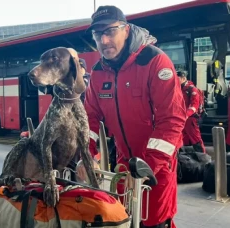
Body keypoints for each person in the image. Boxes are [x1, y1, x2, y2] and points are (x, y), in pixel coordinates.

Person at [84, 5, 186, 227]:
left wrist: (146, 166)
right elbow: (89, 117)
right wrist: (87, 155)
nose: (103, 41)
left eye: (110, 32)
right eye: (98, 34)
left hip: (156, 168)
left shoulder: (154, 62)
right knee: (125, 219)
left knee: (156, 221)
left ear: (126, 30)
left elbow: (172, 120)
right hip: (123, 167)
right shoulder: (98, 72)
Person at [177, 70, 206, 153]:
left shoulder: (192, 89)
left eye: (177, 78)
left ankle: (202, 157)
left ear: (183, 78)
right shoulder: (179, 89)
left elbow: (194, 105)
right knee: (182, 139)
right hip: (181, 119)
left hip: (190, 119)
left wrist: (186, 115)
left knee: (196, 139)